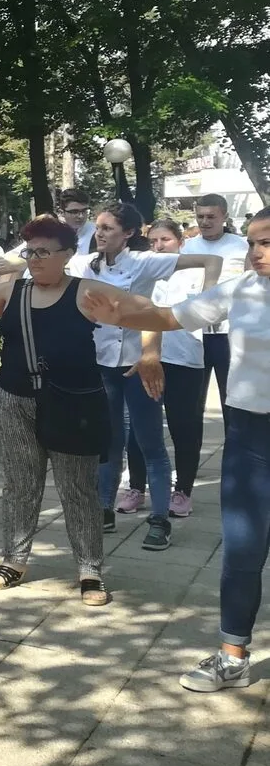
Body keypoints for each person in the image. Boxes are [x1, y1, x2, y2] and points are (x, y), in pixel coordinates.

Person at [79, 208, 270, 691]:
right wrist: (119, 314)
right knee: (242, 550)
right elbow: (170, 316)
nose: (255, 252)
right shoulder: (243, 289)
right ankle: (232, 656)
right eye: (252, 242)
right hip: (249, 439)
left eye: (266, 242)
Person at [0, 218, 116, 606]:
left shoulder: (85, 291)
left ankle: (90, 569)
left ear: (68, 255)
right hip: (13, 400)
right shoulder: (12, 290)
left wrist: (150, 353)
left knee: (78, 488)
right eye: (30, 251)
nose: (34, 258)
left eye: (44, 251)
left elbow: (143, 312)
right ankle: (14, 560)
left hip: (72, 403)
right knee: (19, 484)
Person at [65, 202, 221, 544]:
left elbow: (212, 261)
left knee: (150, 442)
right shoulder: (84, 264)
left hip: (140, 364)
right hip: (102, 365)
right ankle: (104, 509)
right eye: (98, 227)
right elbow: (38, 264)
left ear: (129, 233)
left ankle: (159, 519)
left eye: (108, 228)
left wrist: (207, 301)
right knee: (109, 442)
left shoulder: (145, 261)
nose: (99, 233)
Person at [122, 219, 206, 518]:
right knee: (140, 428)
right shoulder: (143, 272)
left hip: (185, 359)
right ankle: (136, 487)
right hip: (145, 358)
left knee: (184, 426)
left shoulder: (196, 274)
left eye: (166, 240)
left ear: (181, 242)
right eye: (153, 241)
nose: (158, 246)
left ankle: (182, 491)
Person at [181, 193, 248, 412]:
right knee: (193, 400)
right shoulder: (187, 248)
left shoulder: (242, 246)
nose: (205, 222)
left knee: (231, 399)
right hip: (195, 333)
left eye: (211, 216)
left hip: (229, 332)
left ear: (224, 217)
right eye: (200, 216)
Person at [58, 188, 96, 255]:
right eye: (74, 212)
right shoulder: (53, 235)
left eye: (84, 211)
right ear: (62, 213)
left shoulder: (96, 232)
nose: (81, 216)